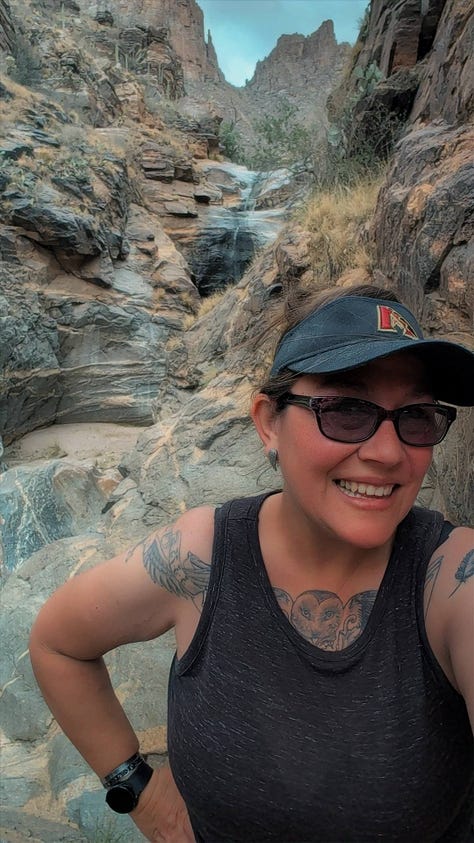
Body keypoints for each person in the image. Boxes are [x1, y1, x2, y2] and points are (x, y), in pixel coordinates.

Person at [29, 284, 474, 843]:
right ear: (268, 422)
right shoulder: (198, 556)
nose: (388, 453)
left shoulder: (452, 577)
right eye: (346, 409)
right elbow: (57, 644)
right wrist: (142, 793)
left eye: (417, 416)